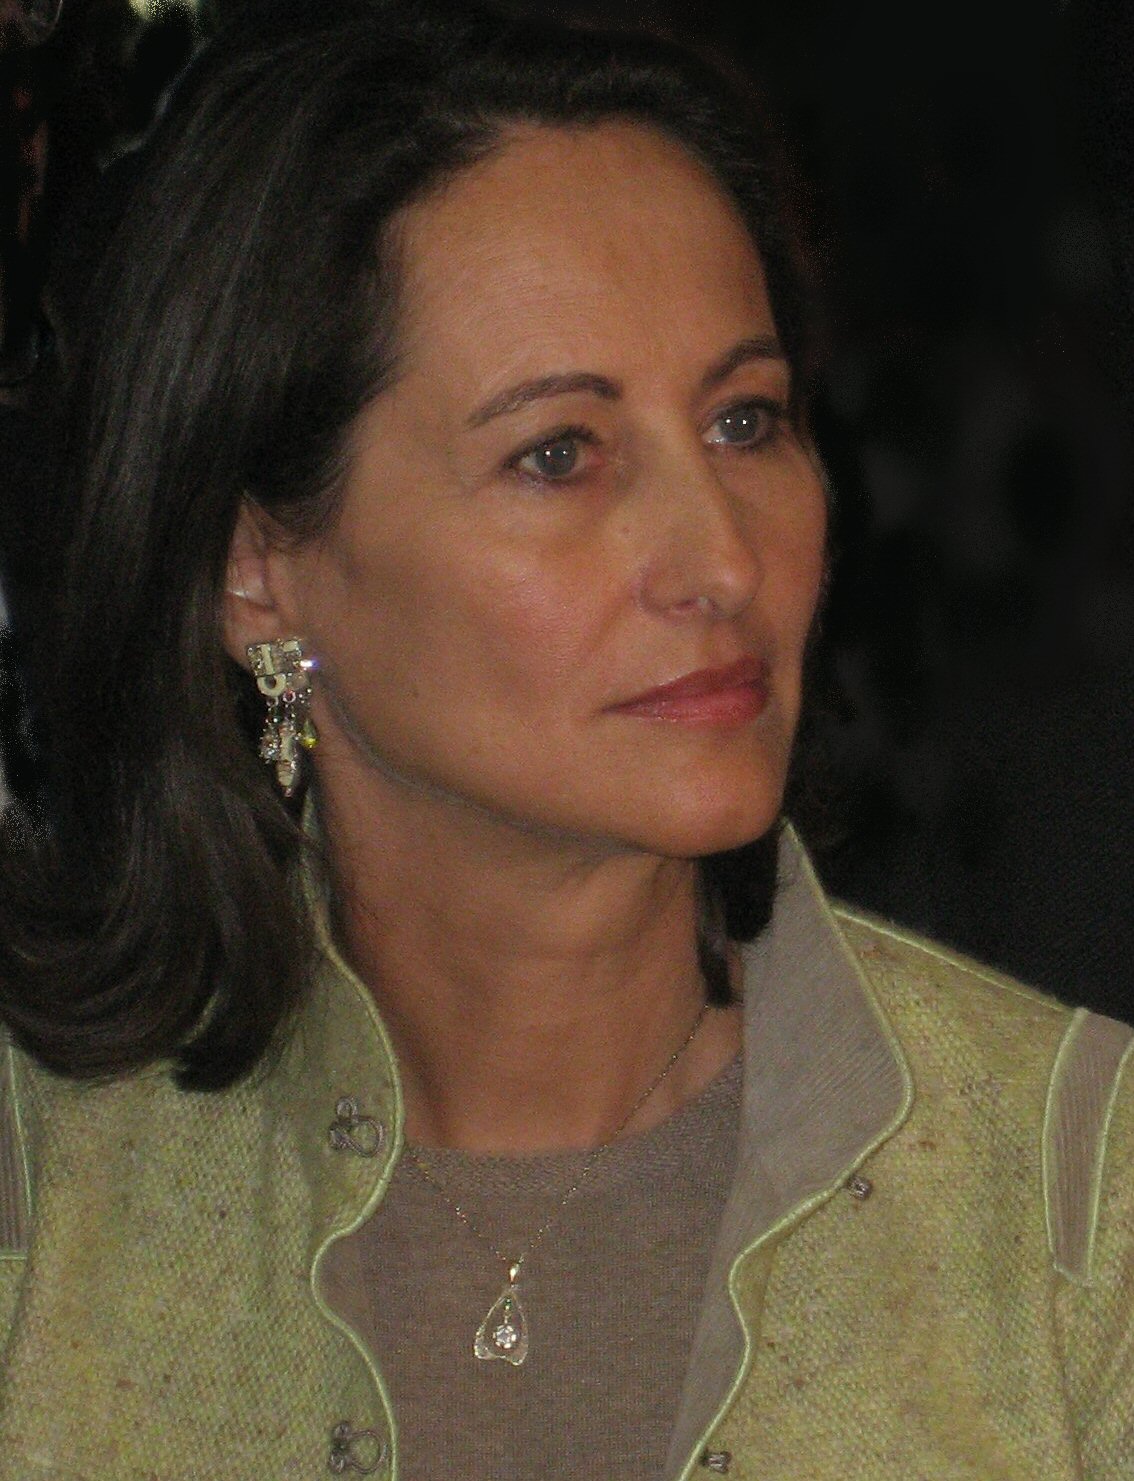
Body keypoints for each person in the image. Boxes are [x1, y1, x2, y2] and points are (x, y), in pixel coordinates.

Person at [0, 1, 1130, 1477]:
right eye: (559, 454)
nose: (720, 560)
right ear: (256, 566)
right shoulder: (45, 1200)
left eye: (745, 422)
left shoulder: (1074, 1204)